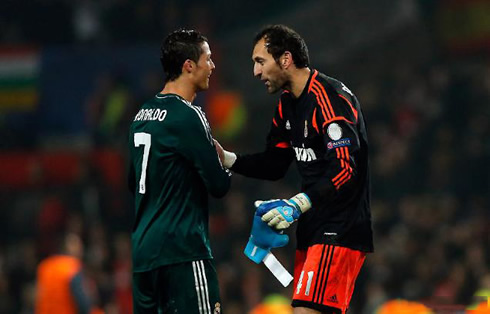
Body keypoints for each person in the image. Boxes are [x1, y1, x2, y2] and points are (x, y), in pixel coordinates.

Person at [216, 25, 373, 314]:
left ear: (285, 59)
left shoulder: (329, 99)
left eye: (260, 61)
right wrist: (228, 159)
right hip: (313, 229)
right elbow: (275, 164)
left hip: (339, 228)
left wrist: (297, 204)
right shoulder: (287, 105)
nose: (255, 72)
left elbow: (344, 169)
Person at [128, 28, 230, 314]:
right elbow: (219, 185)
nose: (212, 66)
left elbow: (133, 182)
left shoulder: (141, 116)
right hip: (182, 252)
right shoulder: (189, 114)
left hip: (144, 256)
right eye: (207, 59)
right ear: (189, 66)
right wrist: (221, 162)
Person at [35, 233, 100, 314]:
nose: (81, 249)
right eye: (78, 245)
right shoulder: (73, 267)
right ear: (69, 247)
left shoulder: (45, 266)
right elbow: (82, 303)